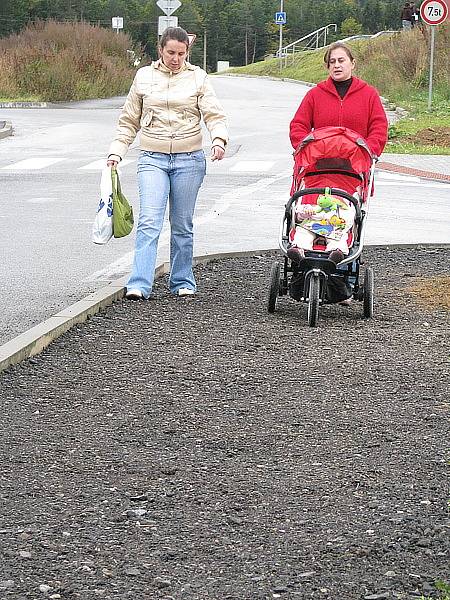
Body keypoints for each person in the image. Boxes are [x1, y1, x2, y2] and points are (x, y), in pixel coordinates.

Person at [107, 27, 228, 299]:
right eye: (171, 52)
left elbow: (214, 115)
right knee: (150, 220)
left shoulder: (198, 77)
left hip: (189, 159)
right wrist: (117, 151)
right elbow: (128, 120)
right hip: (152, 157)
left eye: (181, 53)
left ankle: (182, 281)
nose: (176, 58)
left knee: (182, 223)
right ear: (160, 50)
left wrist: (219, 139)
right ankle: (139, 283)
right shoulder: (144, 76)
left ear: (187, 52)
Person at [288, 42, 388, 266]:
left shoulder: (369, 95)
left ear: (352, 63)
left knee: (348, 215)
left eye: (341, 60)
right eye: (332, 62)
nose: (336, 65)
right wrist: (303, 146)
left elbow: (379, 128)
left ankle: (343, 280)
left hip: (353, 171)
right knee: (309, 209)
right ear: (327, 67)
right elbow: (299, 125)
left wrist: (368, 151)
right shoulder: (315, 95)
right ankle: (302, 257)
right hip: (318, 169)